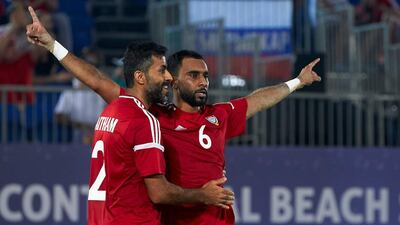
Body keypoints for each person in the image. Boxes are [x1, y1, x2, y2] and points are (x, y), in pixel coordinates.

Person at [26, 7, 320, 225]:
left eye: (205, 75)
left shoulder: (219, 116)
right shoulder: (150, 114)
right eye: (194, 75)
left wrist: (297, 82)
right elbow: (97, 80)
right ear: (174, 82)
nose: (203, 81)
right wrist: (52, 45)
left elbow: (258, 100)